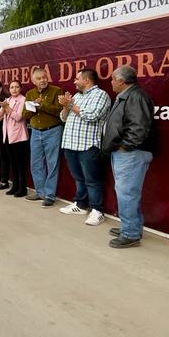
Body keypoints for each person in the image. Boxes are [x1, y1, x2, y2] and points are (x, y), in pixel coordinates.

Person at [101, 65, 155, 249]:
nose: (111, 82)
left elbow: (139, 126)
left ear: (122, 81)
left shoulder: (136, 96)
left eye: (113, 79)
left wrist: (125, 146)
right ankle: (131, 226)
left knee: (127, 194)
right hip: (125, 152)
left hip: (131, 153)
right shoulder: (127, 95)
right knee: (128, 193)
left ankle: (130, 234)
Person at [56, 68, 111, 225]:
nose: (74, 81)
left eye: (77, 78)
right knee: (79, 178)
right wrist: (66, 106)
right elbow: (63, 118)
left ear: (86, 80)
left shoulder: (100, 95)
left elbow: (92, 115)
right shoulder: (77, 96)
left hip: (88, 145)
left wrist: (70, 104)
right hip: (70, 144)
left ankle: (97, 211)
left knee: (92, 180)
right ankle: (80, 205)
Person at [22, 68, 64, 207]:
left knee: (52, 164)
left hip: (53, 131)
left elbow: (60, 112)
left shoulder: (56, 91)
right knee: (36, 164)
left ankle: (50, 195)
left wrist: (43, 105)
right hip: (35, 132)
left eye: (44, 77)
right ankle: (40, 192)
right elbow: (25, 115)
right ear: (33, 81)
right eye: (39, 78)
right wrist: (33, 107)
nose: (43, 80)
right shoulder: (30, 93)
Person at [0, 80, 29, 197]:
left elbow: (18, 117)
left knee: (20, 164)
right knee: (13, 164)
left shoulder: (23, 100)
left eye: (16, 87)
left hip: (19, 137)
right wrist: (2, 107)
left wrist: (7, 108)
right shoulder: (7, 100)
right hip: (8, 137)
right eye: (11, 87)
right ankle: (15, 186)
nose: (14, 89)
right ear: (9, 89)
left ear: (20, 88)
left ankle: (22, 188)